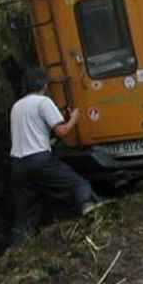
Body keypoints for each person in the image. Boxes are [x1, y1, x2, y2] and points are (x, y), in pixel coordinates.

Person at [9, 67, 103, 246]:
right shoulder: (43, 102)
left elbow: (33, 131)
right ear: (44, 84)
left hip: (17, 164)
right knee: (77, 183)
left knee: (25, 212)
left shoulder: (16, 106)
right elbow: (62, 131)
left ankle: (16, 249)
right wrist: (74, 118)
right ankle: (90, 209)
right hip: (39, 160)